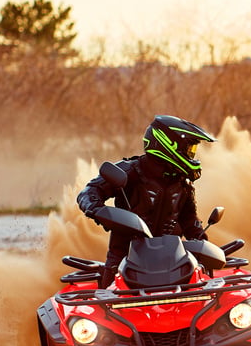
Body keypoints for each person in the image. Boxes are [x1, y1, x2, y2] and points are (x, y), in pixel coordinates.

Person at [76, 115, 215, 287]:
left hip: (174, 262)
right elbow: (89, 192)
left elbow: (189, 221)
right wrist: (98, 210)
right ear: (168, 145)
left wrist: (204, 246)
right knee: (106, 302)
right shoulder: (130, 170)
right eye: (189, 149)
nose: (192, 156)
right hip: (124, 261)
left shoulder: (183, 182)